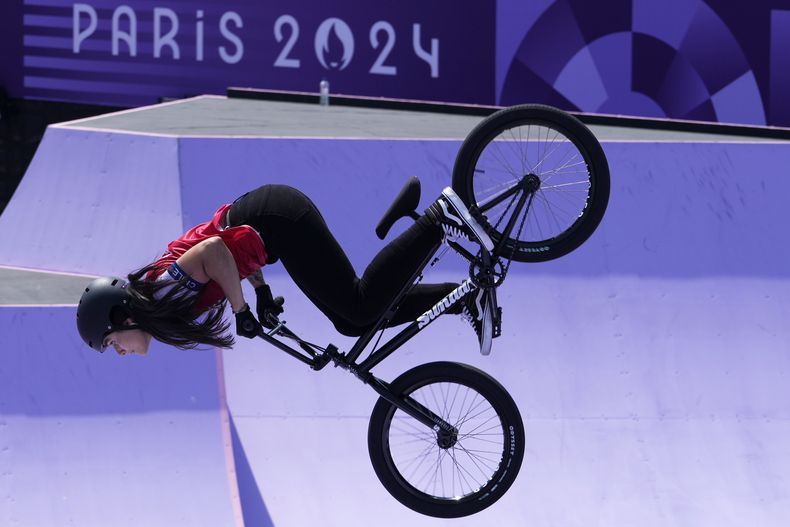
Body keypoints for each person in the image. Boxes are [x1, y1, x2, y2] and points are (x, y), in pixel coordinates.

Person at [76, 184, 494, 356]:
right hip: (272, 226)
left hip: (279, 218)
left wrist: (241, 310)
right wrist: (256, 293)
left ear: (122, 317)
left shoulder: (161, 292)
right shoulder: (161, 304)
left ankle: (439, 218)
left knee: (359, 302)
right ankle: (462, 299)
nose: (121, 352)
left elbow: (214, 251)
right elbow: (228, 253)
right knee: (352, 324)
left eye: (113, 343)